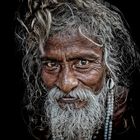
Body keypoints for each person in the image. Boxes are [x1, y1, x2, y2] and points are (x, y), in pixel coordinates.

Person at [15, 0, 140, 139]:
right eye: (51, 64)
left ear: (110, 66)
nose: (66, 84)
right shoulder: (29, 118)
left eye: (83, 62)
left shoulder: (131, 120)